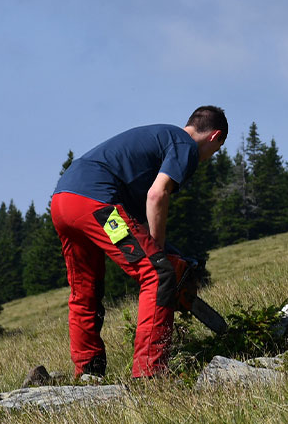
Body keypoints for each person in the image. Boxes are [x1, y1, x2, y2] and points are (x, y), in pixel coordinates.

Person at [50, 106, 227, 379]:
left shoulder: (159, 139)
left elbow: (137, 223)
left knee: (85, 289)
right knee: (158, 275)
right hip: (96, 203)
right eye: (214, 153)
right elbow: (157, 196)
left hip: (63, 202)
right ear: (215, 137)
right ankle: (150, 374)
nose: (207, 159)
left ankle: (88, 372)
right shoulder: (185, 145)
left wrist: (162, 251)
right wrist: (160, 259)